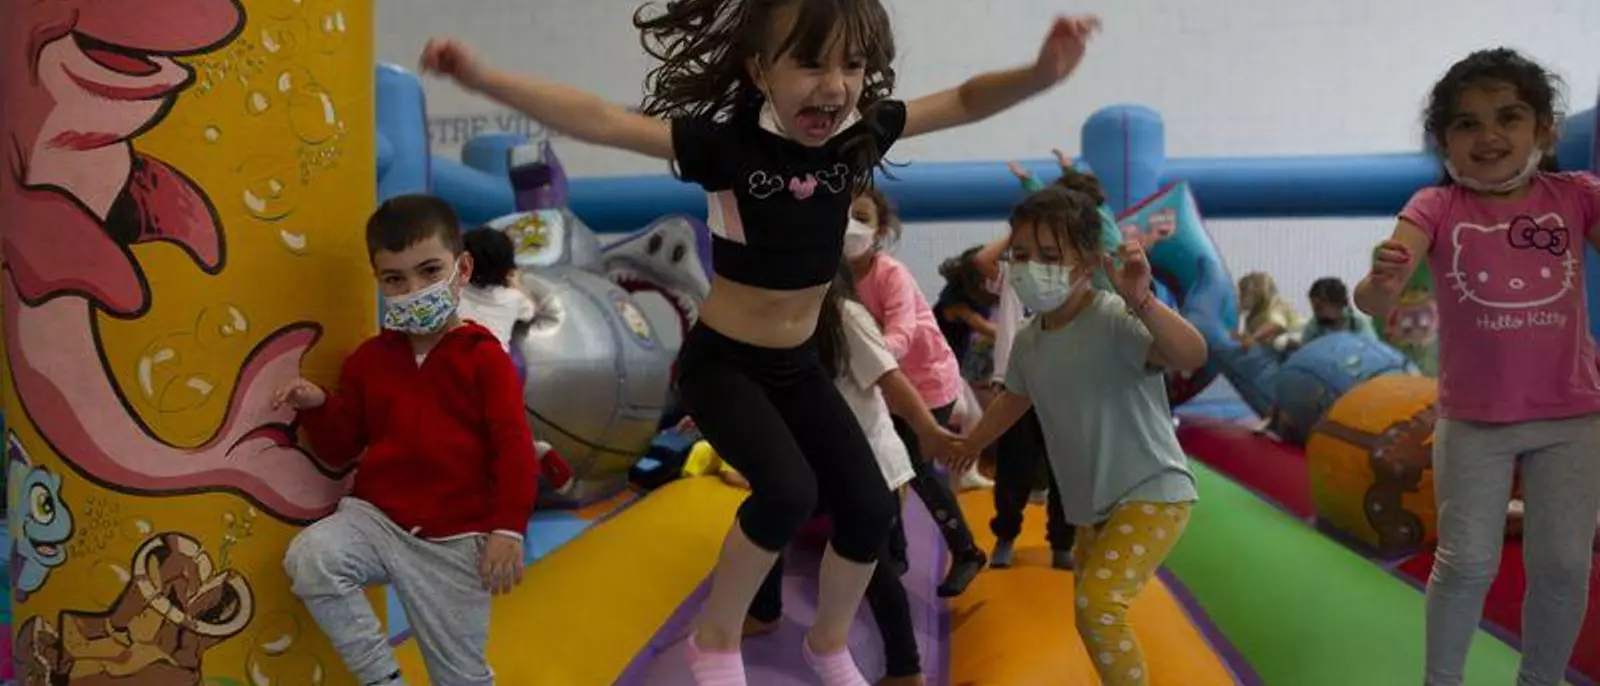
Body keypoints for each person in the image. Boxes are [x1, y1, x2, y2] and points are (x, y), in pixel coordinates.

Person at [418, 4, 1101, 683]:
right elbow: (599, 119)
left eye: (852, 65)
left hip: (797, 366)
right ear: (759, 69)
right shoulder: (728, 147)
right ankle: (716, 638)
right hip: (724, 365)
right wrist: (483, 77)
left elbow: (965, 99)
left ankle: (828, 642)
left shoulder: (859, 135)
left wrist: (1042, 72)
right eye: (810, 62)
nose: (834, 85)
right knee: (786, 493)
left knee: (869, 506)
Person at [1353, 48, 1600, 686]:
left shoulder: (1575, 196)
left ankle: (1540, 678)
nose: (1488, 135)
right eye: (1467, 124)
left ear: (1545, 130)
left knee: (1564, 565)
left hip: (1571, 415)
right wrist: (1381, 281)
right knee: (1465, 563)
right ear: (1445, 142)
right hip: (1474, 420)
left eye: (1508, 117)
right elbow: (1373, 299)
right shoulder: (1435, 206)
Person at [277, 195, 539, 686]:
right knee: (312, 558)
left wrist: (508, 530)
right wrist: (317, 406)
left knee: (461, 678)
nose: (413, 289)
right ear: (378, 280)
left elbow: (513, 447)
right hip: (379, 522)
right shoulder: (367, 362)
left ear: (462, 269)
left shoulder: (484, 359)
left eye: (429, 271)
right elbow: (340, 446)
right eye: (395, 279)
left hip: (457, 541)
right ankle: (383, 679)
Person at [950, 185, 1205, 686]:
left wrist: (1142, 301)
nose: (1031, 267)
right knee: (1090, 614)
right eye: (1021, 254)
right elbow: (1014, 398)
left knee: (1098, 606)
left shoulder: (1111, 318)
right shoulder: (1029, 340)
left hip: (1152, 490)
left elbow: (1190, 355)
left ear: (1087, 263)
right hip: (1092, 504)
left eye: (1050, 256)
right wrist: (972, 443)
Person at [731, 262, 940, 686]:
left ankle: (906, 669)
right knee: (766, 516)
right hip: (826, 464)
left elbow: (892, 380)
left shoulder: (845, 316)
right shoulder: (789, 322)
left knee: (873, 568)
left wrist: (929, 430)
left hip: (870, 468)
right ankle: (765, 611)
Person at [847, 187, 990, 595]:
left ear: (879, 231)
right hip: (882, 383)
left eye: (861, 217)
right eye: (841, 215)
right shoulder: (833, 276)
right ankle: (896, 549)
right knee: (882, 464)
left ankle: (966, 551)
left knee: (916, 467)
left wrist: (869, 356)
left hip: (928, 382)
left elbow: (902, 332)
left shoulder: (890, 274)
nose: (849, 227)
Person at [459, 227, 538, 351]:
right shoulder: (514, 298)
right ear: (509, 269)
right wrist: (517, 284)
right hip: (495, 359)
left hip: (450, 355)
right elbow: (530, 312)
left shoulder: (452, 288)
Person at [933, 245, 999, 382]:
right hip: (943, 358)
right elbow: (984, 327)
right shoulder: (955, 300)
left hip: (962, 350)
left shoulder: (981, 290)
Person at [1234, 271, 1300, 353]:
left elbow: (1276, 325)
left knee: (1279, 342)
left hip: (1293, 345)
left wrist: (1253, 338)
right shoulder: (1255, 313)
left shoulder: (1274, 307)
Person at [1300, 277, 1373, 345]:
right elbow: (1305, 348)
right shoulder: (1315, 325)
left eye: (1319, 307)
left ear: (1338, 304)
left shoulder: (1356, 322)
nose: (1316, 312)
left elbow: (1371, 347)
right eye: (1313, 307)